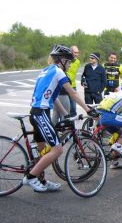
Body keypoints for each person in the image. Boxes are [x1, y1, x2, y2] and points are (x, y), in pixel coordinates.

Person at [23, 45, 96, 192]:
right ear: (62, 60)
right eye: (68, 62)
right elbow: (73, 93)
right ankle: (30, 177)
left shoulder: (45, 70)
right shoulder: (58, 72)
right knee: (57, 149)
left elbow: (53, 98)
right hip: (41, 114)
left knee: (42, 149)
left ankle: (41, 180)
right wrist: (88, 109)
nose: (69, 65)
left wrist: (66, 114)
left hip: (36, 112)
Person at [66, 46, 80, 117]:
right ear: (71, 52)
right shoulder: (66, 61)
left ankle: (72, 125)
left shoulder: (78, 62)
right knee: (65, 107)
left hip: (73, 86)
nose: (76, 54)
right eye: (75, 52)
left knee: (73, 107)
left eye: (77, 53)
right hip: (64, 86)